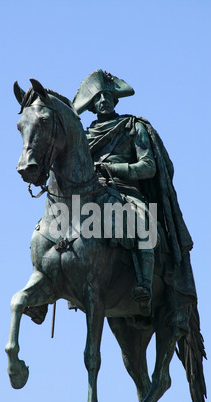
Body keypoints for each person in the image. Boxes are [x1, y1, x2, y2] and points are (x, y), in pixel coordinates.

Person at [73, 69, 158, 314]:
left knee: (142, 222)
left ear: (115, 99)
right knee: (56, 221)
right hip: (93, 193)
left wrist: (114, 168)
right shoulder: (84, 136)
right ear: (91, 105)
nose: (103, 101)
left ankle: (144, 284)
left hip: (126, 192)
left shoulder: (132, 126)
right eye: (97, 98)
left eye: (107, 95)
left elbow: (149, 166)